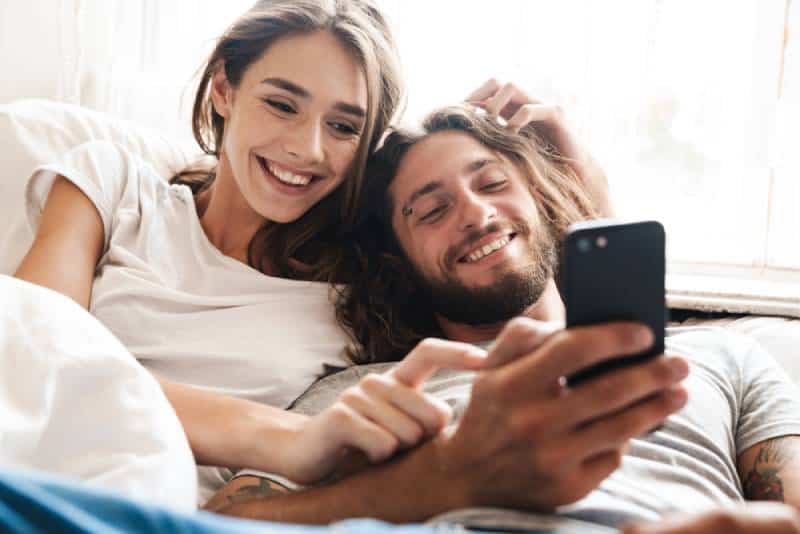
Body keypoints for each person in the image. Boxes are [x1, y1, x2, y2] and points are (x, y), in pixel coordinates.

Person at [204, 104, 800, 533]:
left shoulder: (723, 357)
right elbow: (222, 520)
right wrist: (419, 485)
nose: (475, 212)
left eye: (492, 182)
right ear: (400, 261)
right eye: (432, 211)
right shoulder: (371, 392)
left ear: (538, 199)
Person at [10, 0, 499, 504]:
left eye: (343, 127)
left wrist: (560, 159)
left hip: (141, 509)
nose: (306, 149)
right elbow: (30, 349)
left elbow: (517, 313)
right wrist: (284, 439)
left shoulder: (365, 289)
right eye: (283, 105)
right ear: (223, 88)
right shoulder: (113, 187)